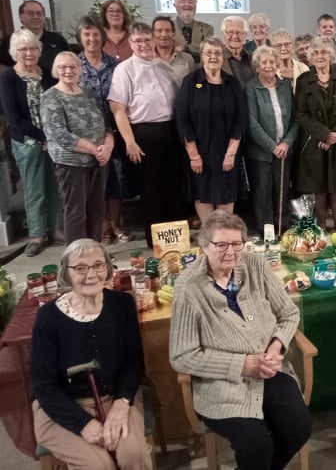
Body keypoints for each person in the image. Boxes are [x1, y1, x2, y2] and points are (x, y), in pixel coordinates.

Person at [169, 210, 312, 470]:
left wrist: (276, 346)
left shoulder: (255, 264)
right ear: (203, 246)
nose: (230, 252)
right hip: (221, 382)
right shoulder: (188, 287)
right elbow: (181, 356)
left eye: (237, 244)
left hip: (269, 370)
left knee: (299, 428)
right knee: (255, 444)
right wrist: (242, 365)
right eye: (221, 244)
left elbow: (288, 313)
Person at [32, 238, 152, 469]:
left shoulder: (122, 304)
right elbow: (43, 385)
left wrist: (121, 405)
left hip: (115, 397)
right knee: (99, 465)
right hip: (61, 406)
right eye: (80, 268)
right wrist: (83, 424)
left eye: (98, 265)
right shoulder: (48, 317)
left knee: (133, 455)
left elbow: (132, 361)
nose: (91, 274)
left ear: (107, 267)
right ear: (65, 273)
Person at [108, 22, 183, 247]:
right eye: (138, 41)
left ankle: (177, 239)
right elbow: (117, 108)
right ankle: (158, 243)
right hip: (143, 134)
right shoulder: (125, 69)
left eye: (147, 40)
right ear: (130, 44)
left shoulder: (162, 65)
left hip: (170, 132)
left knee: (173, 186)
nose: (143, 45)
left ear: (153, 41)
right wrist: (129, 142)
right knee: (151, 190)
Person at [41, 52, 113, 243]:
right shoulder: (51, 97)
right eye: (63, 67)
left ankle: (95, 251)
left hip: (98, 161)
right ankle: (77, 257)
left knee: (97, 210)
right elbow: (60, 135)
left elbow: (106, 125)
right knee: (76, 212)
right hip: (71, 163)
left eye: (73, 66)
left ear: (80, 70)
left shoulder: (89, 94)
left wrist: (108, 146)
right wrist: (95, 149)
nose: (68, 71)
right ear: (56, 70)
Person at [0, 30, 60, 257]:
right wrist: (44, 137)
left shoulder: (45, 74)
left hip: (51, 140)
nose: (28, 53)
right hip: (27, 142)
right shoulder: (8, 77)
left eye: (33, 48)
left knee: (54, 187)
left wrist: (53, 136)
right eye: (23, 49)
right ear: (15, 52)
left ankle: (55, 229)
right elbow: (14, 118)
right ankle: (36, 235)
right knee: (35, 190)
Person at [175, 37, 247, 223]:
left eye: (217, 53)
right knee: (203, 195)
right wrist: (194, 155)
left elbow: (241, 119)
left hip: (227, 154)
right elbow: (182, 120)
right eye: (209, 53)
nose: (213, 57)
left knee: (226, 197)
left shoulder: (232, 83)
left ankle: (225, 238)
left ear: (222, 57)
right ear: (202, 55)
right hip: (199, 154)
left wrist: (231, 154)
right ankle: (209, 240)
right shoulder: (191, 82)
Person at [76, 16, 133, 245]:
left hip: (115, 130)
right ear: (80, 38)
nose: (92, 39)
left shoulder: (115, 65)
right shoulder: (75, 65)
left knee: (115, 181)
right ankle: (102, 227)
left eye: (95, 34)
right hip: (86, 134)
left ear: (103, 37)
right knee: (94, 184)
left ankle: (116, 224)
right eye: (87, 35)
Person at [295, 36, 336, 232]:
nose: (320, 56)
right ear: (310, 57)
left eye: (324, 52)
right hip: (314, 141)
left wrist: (335, 133)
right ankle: (320, 223)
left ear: (331, 55)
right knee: (318, 184)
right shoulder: (303, 81)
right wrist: (324, 135)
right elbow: (301, 113)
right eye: (316, 53)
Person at [245, 45, 297, 236]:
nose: (268, 66)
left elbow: (295, 119)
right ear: (257, 66)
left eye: (272, 62)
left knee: (281, 190)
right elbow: (251, 123)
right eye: (264, 62)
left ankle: (282, 226)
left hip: (285, 149)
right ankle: (264, 229)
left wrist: (286, 143)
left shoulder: (285, 86)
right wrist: (272, 146)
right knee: (262, 193)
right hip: (261, 152)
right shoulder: (251, 87)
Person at [0, 0, 70, 73]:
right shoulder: (8, 41)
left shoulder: (58, 39)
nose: (36, 17)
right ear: (21, 17)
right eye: (30, 13)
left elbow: (69, 63)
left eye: (39, 13)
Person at [172, 0, 214, 64]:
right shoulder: (167, 28)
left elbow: (209, 49)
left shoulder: (207, 29)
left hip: (200, 72)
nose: (187, 4)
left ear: (195, 6)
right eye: (182, 1)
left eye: (191, 2)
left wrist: (185, 48)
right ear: (175, 5)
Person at [152, 16, 194, 83]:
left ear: (173, 35)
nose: (164, 34)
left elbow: (195, 85)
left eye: (168, 30)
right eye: (159, 31)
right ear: (153, 35)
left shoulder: (187, 59)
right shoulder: (146, 61)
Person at [220, 16, 255, 86]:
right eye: (230, 32)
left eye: (239, 32)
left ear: (245, 35)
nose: (235, 36)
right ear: (224, 34)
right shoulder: (217, 58)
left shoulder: (253, 57)